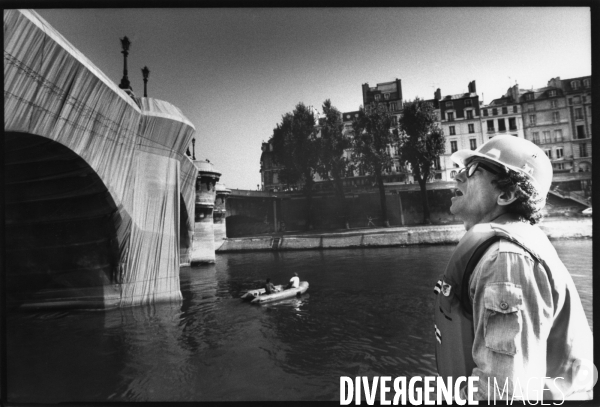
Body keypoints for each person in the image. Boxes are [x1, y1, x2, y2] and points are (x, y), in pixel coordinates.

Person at [434, 135, 593, 401]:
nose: (457, 176)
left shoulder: (506, 261)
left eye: (473, 170)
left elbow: (505, 393)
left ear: (506, 194)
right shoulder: (512, 246)